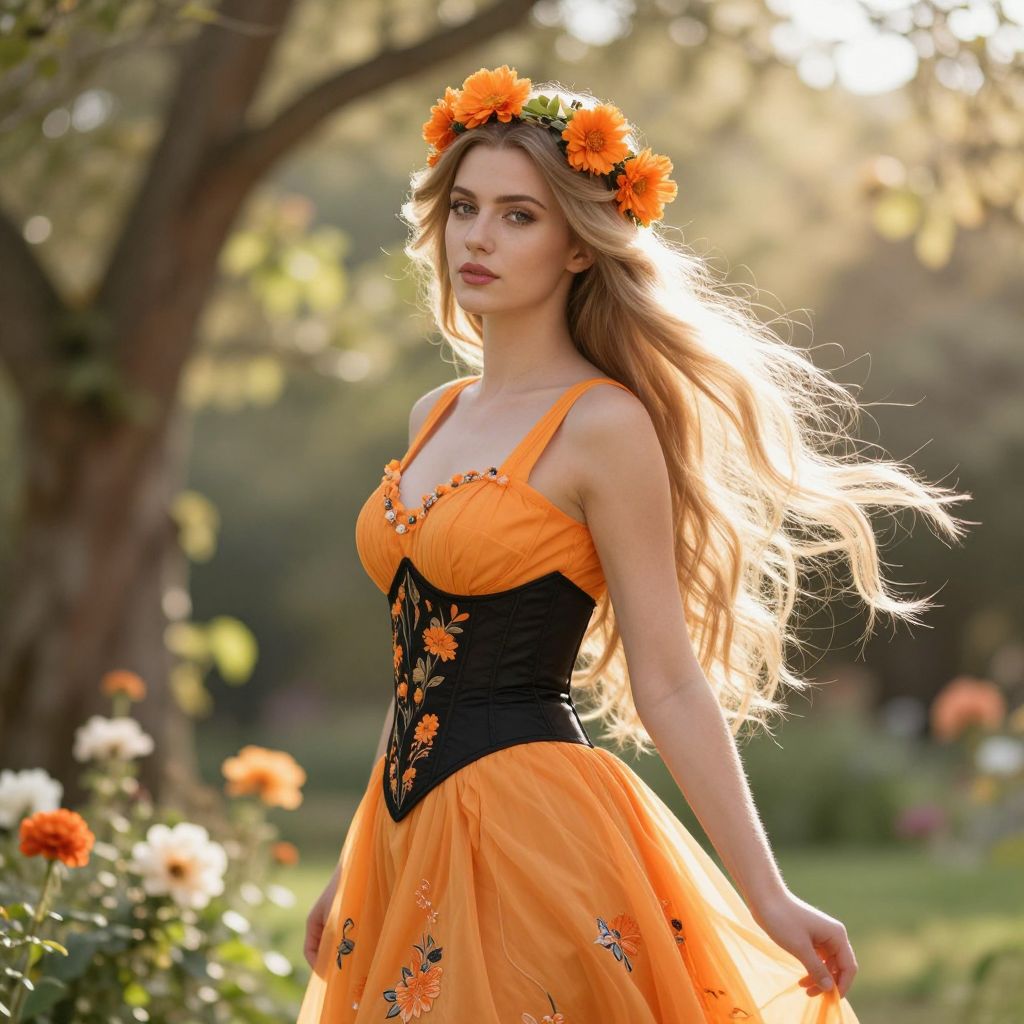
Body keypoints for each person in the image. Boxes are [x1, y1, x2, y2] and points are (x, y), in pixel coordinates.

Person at [295, 65, 964, 1023]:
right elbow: (417, 675)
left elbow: (670, 679)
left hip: (530, 832)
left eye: (519, 216)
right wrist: (354, 863)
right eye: (465, 207)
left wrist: (768, 895)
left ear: (579, 245)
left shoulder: (602, 426)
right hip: (407, 838)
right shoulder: (433, 413)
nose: (478, 237)